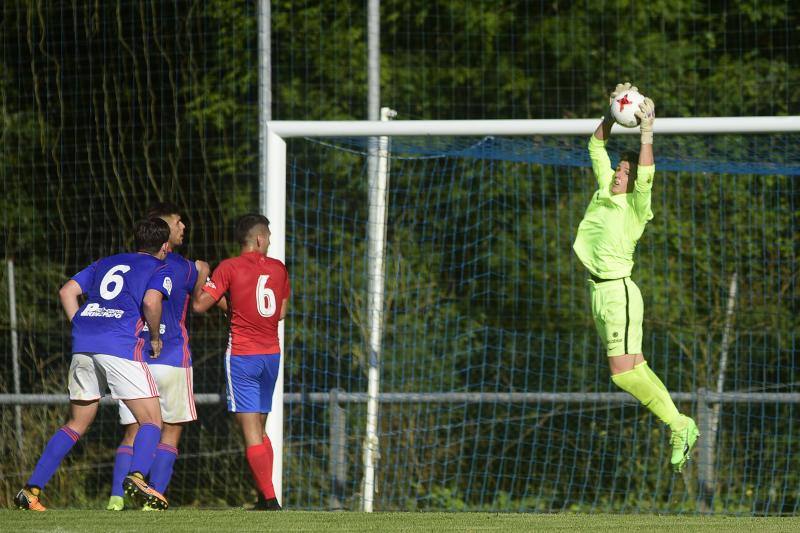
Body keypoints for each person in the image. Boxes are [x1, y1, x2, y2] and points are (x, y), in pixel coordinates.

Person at [572, 83, 699, 473]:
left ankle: (679, 424)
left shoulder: (635, 207)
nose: (618, 176)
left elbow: (645, 177)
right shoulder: (604, 189)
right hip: (598, 291)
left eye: (624, 173)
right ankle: (682, 424)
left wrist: (646, 131)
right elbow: (595, 148)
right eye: (619, 170)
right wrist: (611, 115)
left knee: (622, 373)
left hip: (619, 293)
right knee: (636, 367)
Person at [15, 218, 174, 511]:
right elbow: (152, 303)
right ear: (164, 246)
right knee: (152, 420)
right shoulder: (159, 268)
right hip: (120, 346)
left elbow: (67, 292)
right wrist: (154, 338)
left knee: (76, 422)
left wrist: (82, 325)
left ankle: (31, 489)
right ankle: (138, 476)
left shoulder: (105, 262)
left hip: (83, 344)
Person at [106, 203, 210, 511]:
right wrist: (203, 273)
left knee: (134, 430)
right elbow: (202, 296)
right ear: (165, 230)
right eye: (178, 222)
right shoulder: (184, 266)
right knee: (171, 430)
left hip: (136, 359)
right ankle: (154, 498)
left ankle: (116, 498)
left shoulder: (128, 265)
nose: (183, 228)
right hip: (173, 357)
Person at [192, 214, 290, 510]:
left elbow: (199, 305)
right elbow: (282, 311)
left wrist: (201, 277)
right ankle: (265, 496)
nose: (270, 242)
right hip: (271, 354)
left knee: (249, 432)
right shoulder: (279, 269)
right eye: (269, 237)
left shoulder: (229, 267)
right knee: (260, 430)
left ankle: (270, 500)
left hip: (243, 355)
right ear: (259, 239)